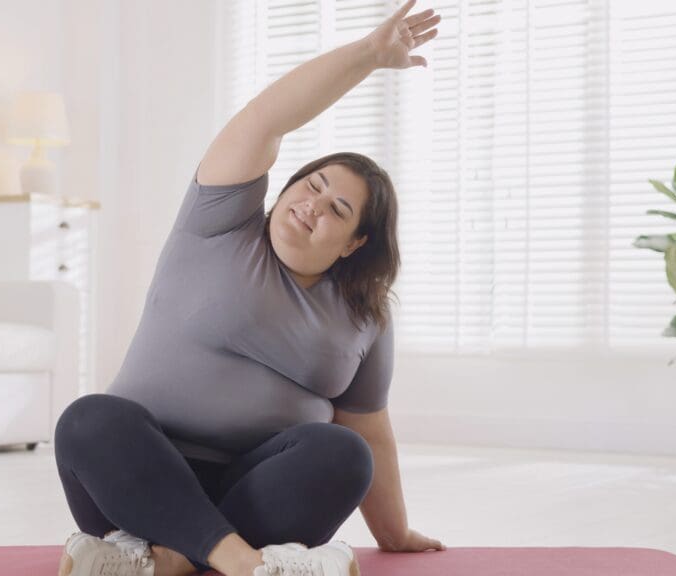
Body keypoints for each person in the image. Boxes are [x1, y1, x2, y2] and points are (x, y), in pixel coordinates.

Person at [55, 2, 443, 575]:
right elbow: (266, 118)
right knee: (90, 419)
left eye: (338, 209)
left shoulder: (365, 315)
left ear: (354, 244)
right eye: (312, 185)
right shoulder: (218, 222)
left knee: (344, 453)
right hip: (138, 479)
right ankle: (237, 560)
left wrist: (395, 533)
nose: (313, 205)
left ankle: (169, 558)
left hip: (256, 491)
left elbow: (369, 428)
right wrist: (367, 55)